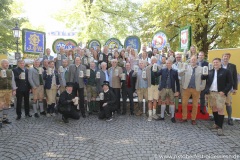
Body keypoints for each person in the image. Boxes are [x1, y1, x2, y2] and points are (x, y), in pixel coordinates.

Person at [203, 58, 232, 136]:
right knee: (214, 108)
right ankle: (216, 124)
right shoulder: (210, 71)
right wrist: (206, 90)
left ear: (220, 63)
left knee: (220, 109)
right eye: (214, 62)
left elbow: (230, 83)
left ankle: (220, 127)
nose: (215, 63)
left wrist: (224, 91)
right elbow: (207, 82)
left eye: (217, 62)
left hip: (220, 94)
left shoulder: (226, 71)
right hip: (211, 93)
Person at [178, 55, 205, 125]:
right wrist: (184, 69)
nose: (193, 61)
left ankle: (193, 119)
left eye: (195, 60)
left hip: (196, 89)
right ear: (190, 60)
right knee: (184, 103)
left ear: (197, 61)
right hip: (186, 88)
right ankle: (184, 118)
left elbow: (204, 79)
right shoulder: (186, 67)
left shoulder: (201, 69)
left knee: (195, 104)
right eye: (192, 59)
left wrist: (202, 87)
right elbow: (180, 74)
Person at [221, 53, 238, 125]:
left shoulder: (233, 66)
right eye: (225, 56)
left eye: (227, 57)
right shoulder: (218, 65)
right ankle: (219, 118)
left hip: (228, 88)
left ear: (229, 58)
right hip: (219, 88)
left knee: (228, 103)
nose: (226, 58)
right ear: (222, 57)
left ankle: (229, 118)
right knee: (219, 103)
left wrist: (235, 88)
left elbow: (235, 77)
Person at [0, 59, 17, 127]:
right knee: (1, 105)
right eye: (5, 63)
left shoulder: (10, 71)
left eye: (8, 63)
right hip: (1, 90)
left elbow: (13, 81)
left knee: (7, 104)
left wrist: (14, 89)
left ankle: (5, 118)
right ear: (2, 64)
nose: (7, 65)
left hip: (8, 90)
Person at [145, 56, 161, 121]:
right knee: (149, 100)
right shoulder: (148, 68)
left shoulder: (159, 68)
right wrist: (144, 78)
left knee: (155, 100)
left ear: (156, 61)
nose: (153, 62)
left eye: (155, 60)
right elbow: (145, 77)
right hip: (150, 86)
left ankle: (154, 114)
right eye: (152, 60)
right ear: (151, 61)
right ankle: (150, 115)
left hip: (157, 86)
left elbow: (161, 77)